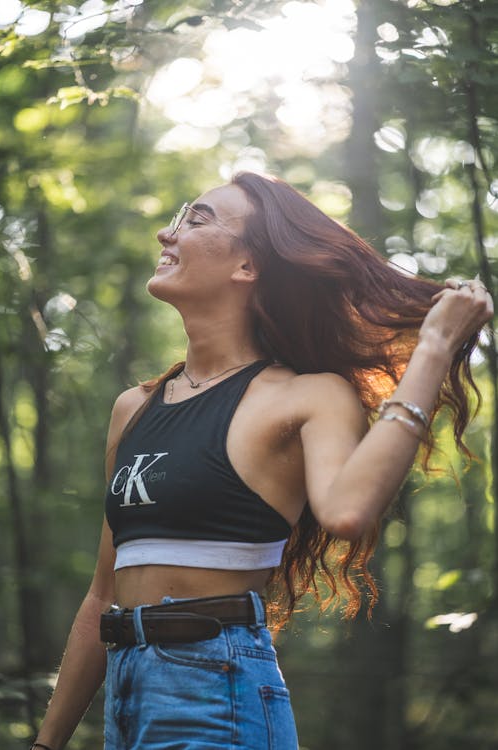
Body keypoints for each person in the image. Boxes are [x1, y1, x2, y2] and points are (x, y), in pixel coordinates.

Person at [32, 172, 493, 750]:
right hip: (126, 694)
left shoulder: (308, 396)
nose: (164, 233)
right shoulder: (134, 408)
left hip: (215, 690)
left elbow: (348, 512)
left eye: (196, 220)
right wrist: (46, 744)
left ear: (247, 268)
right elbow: (103, 595)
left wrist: (433, 349)